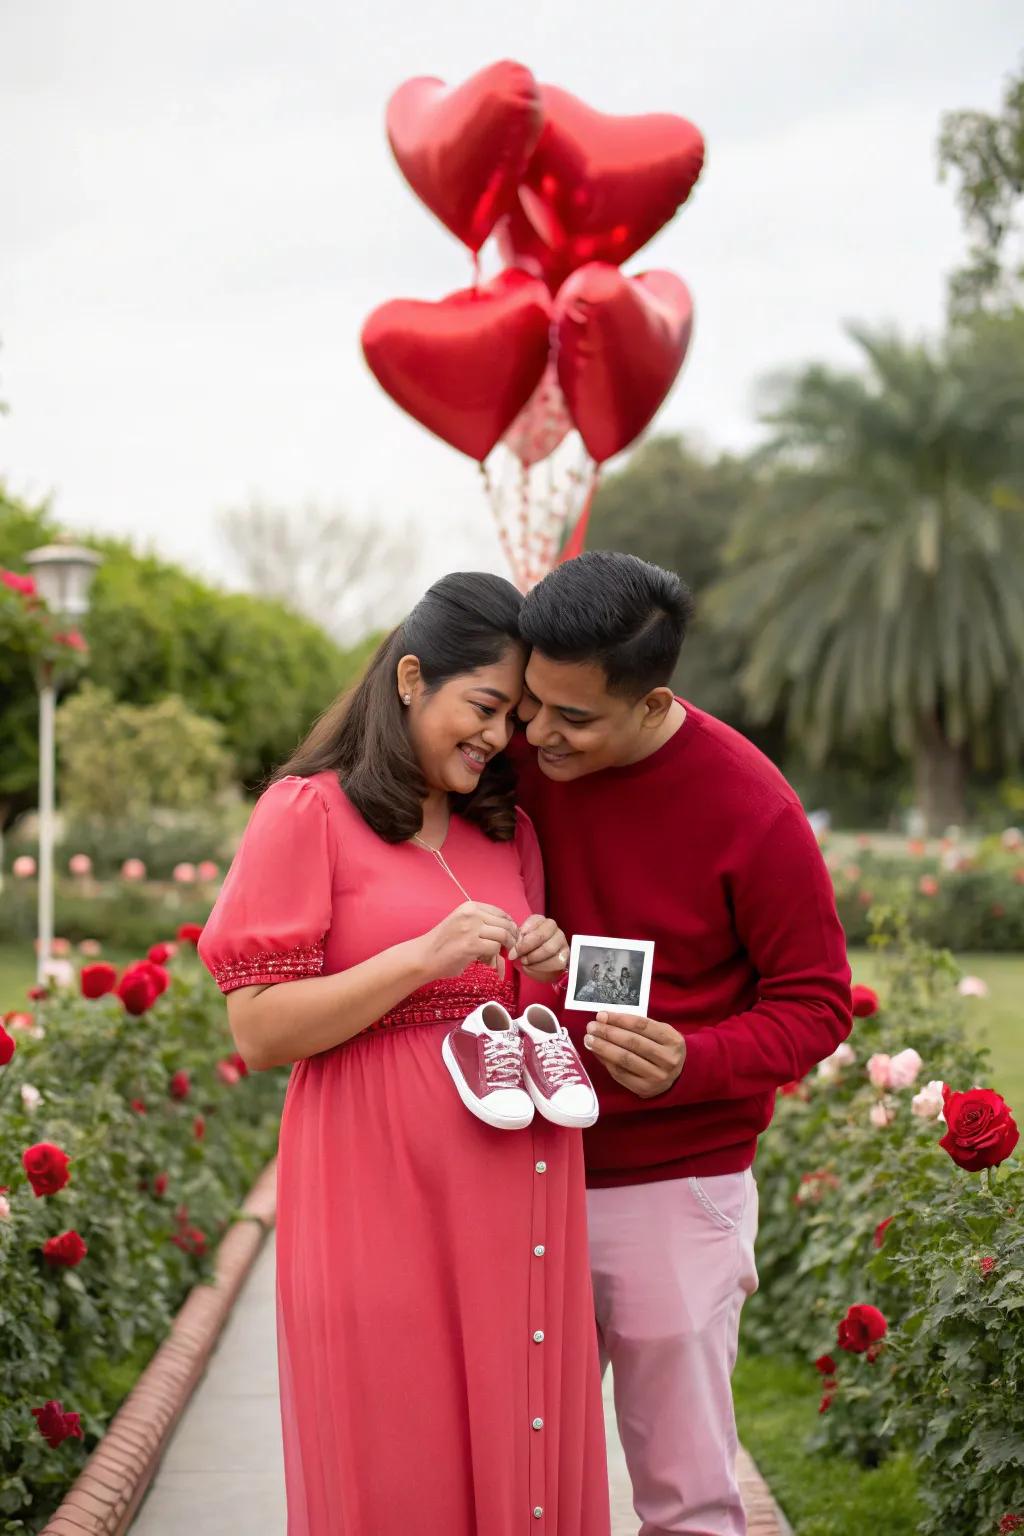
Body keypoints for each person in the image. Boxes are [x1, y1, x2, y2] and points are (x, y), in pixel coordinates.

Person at [198, 573, 611, 1536]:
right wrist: (417, 959)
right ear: (414, 678)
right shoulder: (307, 814)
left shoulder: (506, 835)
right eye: (487, 707)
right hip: (372, 1192)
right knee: (397, 1443)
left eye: (515, 719)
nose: (500, 738)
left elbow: (518, 1021)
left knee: (520, 1446)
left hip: (517, 1193)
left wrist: (542, 962)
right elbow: (258, 1031)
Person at [509, 551, 852, 1536]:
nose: (537, 735)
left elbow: (816, 1003)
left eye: (572, 719)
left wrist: (692, 1060)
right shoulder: (517, 750)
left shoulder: (752, 806)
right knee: (516, 1481)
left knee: (686, 1492)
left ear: (654, 700)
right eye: (532, 702)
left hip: (671, 1183)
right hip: (515, 1170)